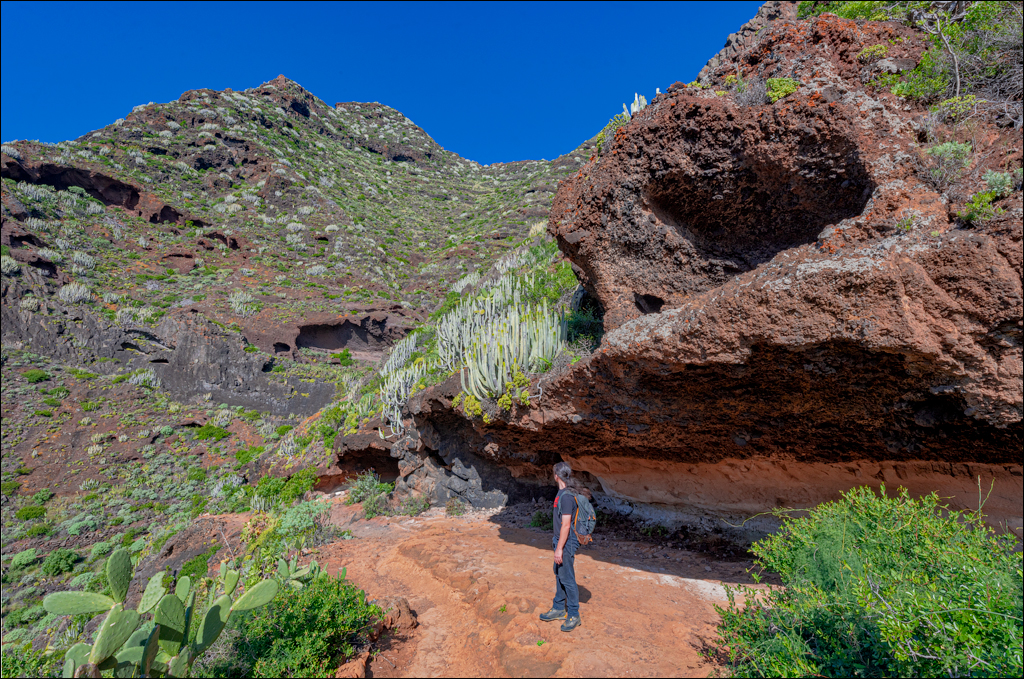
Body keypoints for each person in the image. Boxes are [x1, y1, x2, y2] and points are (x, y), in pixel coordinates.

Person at [539, 461, 586, 632]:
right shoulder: (562, 493)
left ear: (556, 476)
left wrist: (559, 548)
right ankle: (559, 608)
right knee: (559, 574)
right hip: (560, 540)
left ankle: (573, 614)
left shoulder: (566, 497)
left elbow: (566, 525)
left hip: (566, 542)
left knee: (567, 578)